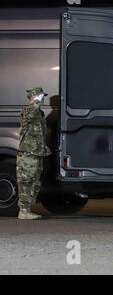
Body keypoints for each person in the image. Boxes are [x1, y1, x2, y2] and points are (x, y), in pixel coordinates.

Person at [16, 87, 52, 220]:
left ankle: (27, 209)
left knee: (34, 182)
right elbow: (29, 116)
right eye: (41, 96)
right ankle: (23, 211)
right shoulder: (28, 110)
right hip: (27, 154)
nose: (42, 99)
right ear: (34, 97)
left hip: (37, 153)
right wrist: (35, 102)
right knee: (26, 181)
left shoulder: (40, 113)